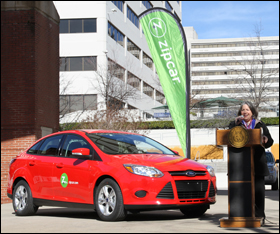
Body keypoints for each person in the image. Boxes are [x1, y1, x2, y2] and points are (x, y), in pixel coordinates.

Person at [229, 101, 274, 224]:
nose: (245, 112)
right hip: (241, 165)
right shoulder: (236, 124)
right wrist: (235, 124)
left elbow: (270, 141)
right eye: (243, 110)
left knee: (258, 193)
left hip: (257, 164)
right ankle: (244, 215)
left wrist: (265, 139)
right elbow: (228, 136)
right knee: (243, 192)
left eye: (247, 110)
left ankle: (260, 216)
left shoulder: (259, 124)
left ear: (252, 112)